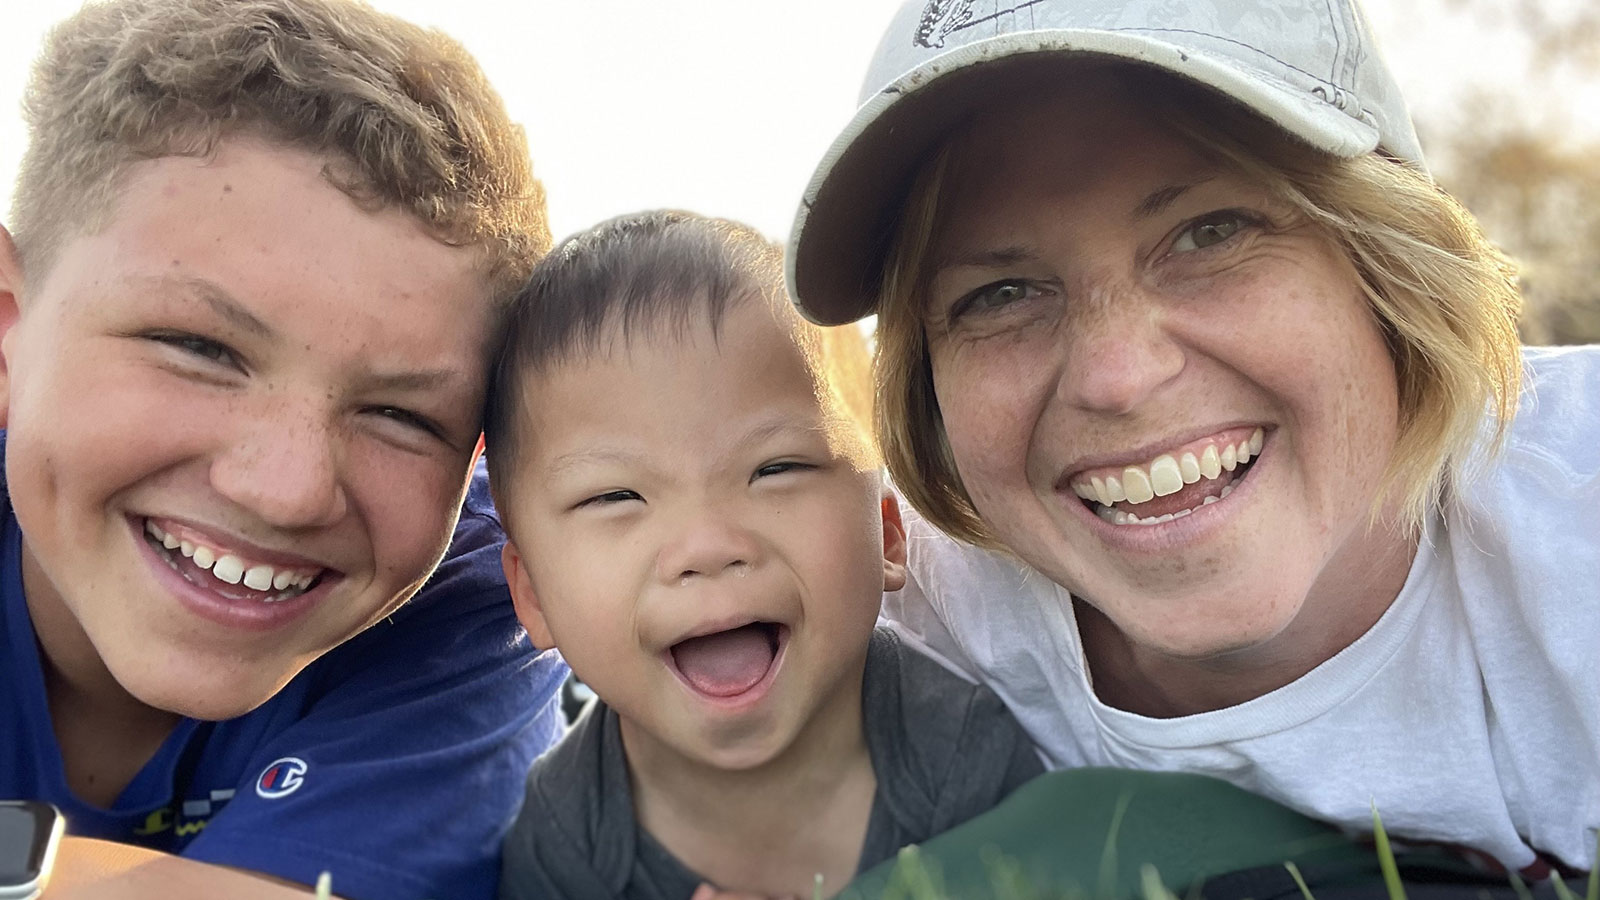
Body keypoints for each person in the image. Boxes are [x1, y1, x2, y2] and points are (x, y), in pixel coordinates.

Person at [785, 0, 1599, 877]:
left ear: (1387, 260)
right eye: (1002, 294)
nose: (1117, 377)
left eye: (1210, 234)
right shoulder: (904, 618)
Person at [0, 0, 567, 897]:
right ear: (9, 331)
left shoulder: (485, 603)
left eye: (403, 417)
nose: (288, 490)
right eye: (200, 349)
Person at [486, 211, 1042, 900]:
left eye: (775, 469)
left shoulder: (962, 760)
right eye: (616, 497)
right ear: (533, 594)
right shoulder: (568, 835)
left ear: (887, 532)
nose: (709, 546)